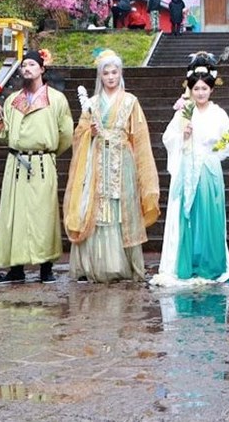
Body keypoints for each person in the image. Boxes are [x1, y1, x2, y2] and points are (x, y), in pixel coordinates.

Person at [63, 50, 160, 283]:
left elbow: (140, 136)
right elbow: (78, 134)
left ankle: (120, 264)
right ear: (100, 76)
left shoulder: (130, 101)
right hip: (96, 161)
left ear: (120, 73)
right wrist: (89, 133)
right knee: (96, 208)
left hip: (122, 161)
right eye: (105, 73)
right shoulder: (92, 103)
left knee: (120, 208)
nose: (110, 77)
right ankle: (94, 264)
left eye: (114, 72)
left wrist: (141, 169)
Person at [153, 54, 229, 287]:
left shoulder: (219, 113)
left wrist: (215, 150)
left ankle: (211, 263)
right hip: (187, 169)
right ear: (190, 89)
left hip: (209, 168)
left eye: (204, 88)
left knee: (210, 215)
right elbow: (168, 138)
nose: (200, 93)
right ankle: (188, 261)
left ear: (211, 89)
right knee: (187, 215)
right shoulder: (184, 112)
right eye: (196, 88)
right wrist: (184, 135)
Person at [0, 49, 74, 284]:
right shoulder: (12, 100)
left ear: (42, 69)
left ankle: (46, 267)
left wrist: (48, 154)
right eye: (24, 65)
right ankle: (15, 268)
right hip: (16, 162)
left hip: (42, 162)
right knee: (14, 214)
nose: (27, 69)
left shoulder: (56, 99)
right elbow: (4, 135)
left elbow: (66, 133)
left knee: (44, 215)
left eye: (32, 65)